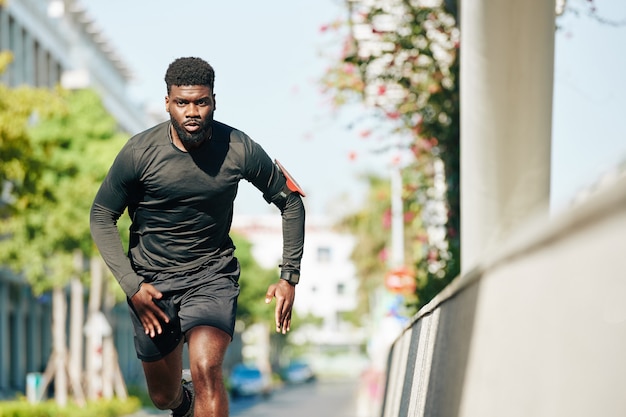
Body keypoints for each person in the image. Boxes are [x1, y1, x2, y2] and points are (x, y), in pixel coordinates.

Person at [90, 56, 305, 417]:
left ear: (213, 101)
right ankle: (185, 403)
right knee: (164, 397)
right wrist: (131, 285)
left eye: (201, 102)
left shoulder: (238, 148)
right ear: (167, 103)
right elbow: (101, 215)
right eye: (182, 102)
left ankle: (199, 392)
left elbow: (290, 202)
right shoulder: (140, 152)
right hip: (151, 286)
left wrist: (289, 277)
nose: (192, 112)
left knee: (207, 368)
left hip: (212, 276)